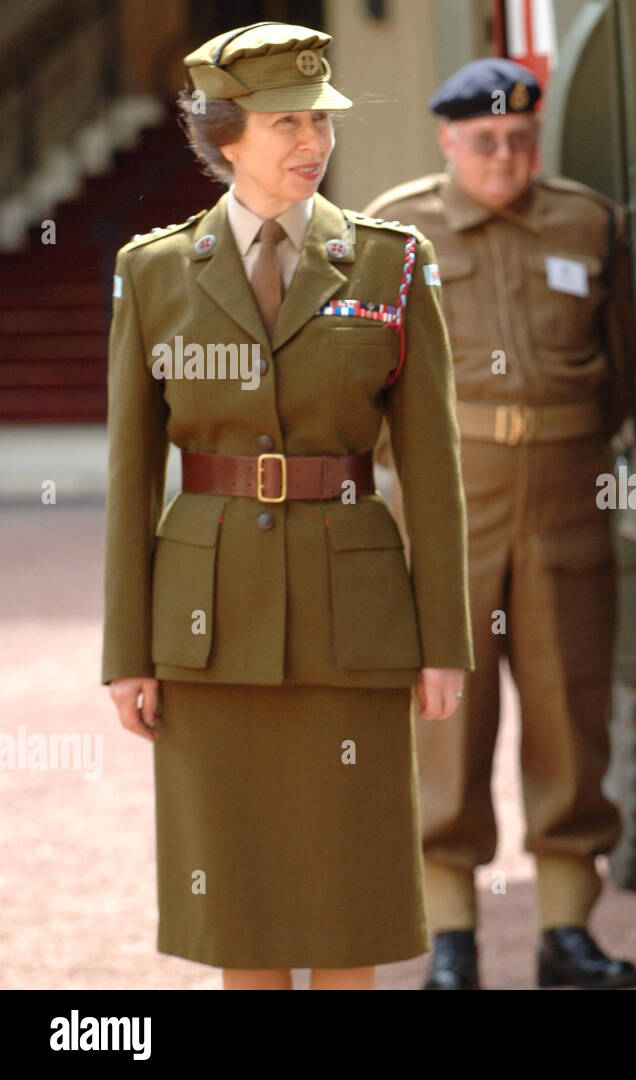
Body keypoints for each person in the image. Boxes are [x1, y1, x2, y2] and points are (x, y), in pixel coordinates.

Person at [101, 22, 473, 990]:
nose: (313, 141)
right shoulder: (151, 273)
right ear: (226, 137)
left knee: (349, 902)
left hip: (351, 624)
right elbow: (131, 475)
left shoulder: (390, 264)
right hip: (206, 627)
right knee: (242, 907)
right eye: (286, 122)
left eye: (321, 119)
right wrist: (126, 654)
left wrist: (444, 643)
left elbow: (431, 472)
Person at [366, 58, 636, 990]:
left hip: (564, 496)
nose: (504, 156)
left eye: (520, 140)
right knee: (447, 719)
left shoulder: (586, 220)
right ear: (448, 141)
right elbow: (364, 380)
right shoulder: (395, 232)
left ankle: (566, 928)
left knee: (572, 714)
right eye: (484, 141)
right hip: (449, 503)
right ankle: (452, 935)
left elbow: (622, 366)